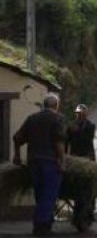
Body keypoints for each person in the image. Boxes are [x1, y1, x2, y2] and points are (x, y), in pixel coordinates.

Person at [13, 93, 66, 236]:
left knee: (40, 194)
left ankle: (43, 225)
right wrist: (62, 161)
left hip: (33, 162)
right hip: (49, 161)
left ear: (44, 105)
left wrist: (17, 155)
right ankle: (41, 228)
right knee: (49, 195)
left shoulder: (32, 119)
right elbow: (59, 142)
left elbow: (17, 137)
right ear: (56, 105)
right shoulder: (57, 118)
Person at [65, 103, 96, 229]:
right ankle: (79, 214)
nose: (80, 116)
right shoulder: (71, 126)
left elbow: (88, 140)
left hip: (87, 158)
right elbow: (66, 142)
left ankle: (89, 213)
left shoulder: (90, 126)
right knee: (76, 187)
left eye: (82, 114)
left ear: (86, 114)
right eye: (78, 114)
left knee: (89, 186)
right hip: (74, 158)